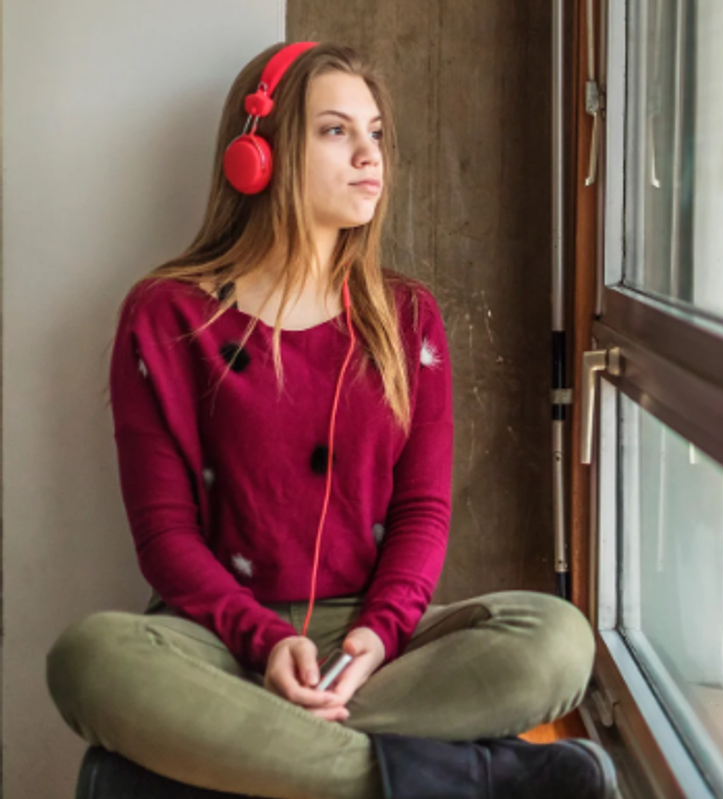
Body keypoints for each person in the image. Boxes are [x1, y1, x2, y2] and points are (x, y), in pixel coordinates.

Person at [45, 42, 616, 799]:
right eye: (336, 131)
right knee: (88, 657)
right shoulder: (167, 316)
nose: (369, 156)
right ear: (261, 154)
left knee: (557, 639)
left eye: (376, 133)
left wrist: (376, 637)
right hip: (221, 639)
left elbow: (422, 510)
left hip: (378, 642)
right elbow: (165, 537)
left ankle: (250, 760)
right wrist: (267, 639)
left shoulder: (406, 316)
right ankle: (467, 781)